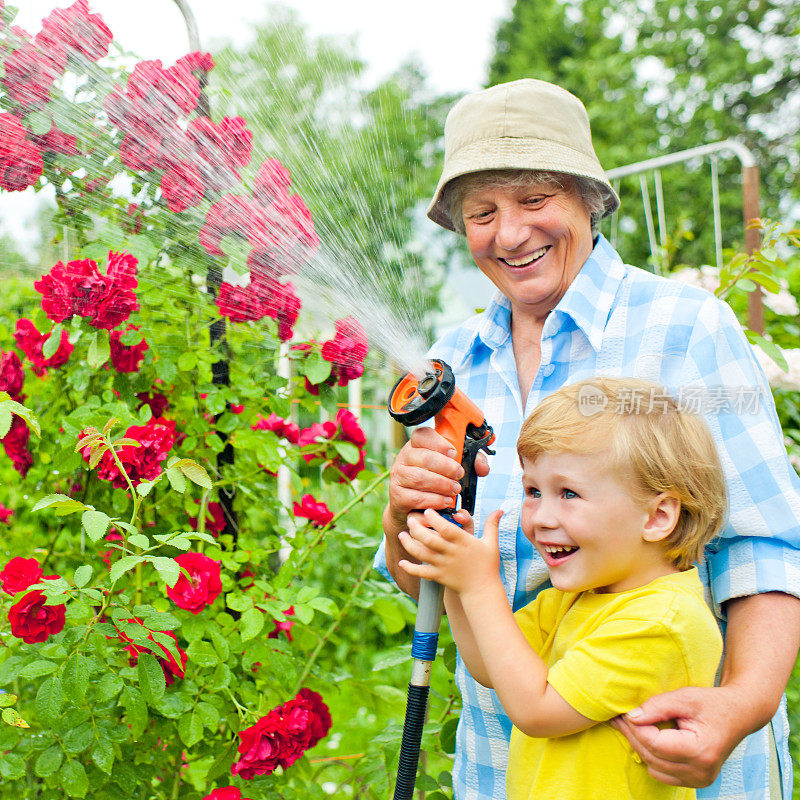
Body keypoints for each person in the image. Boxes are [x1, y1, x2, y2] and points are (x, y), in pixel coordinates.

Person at [374, 78, 800, 800]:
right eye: (483, 212)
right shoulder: (453, 364)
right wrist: (402, 526)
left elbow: (765, 548)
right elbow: (436, 584)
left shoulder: (684, 328)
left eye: (535, 200)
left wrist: (742, 706)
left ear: (588, 199)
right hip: (505, 767)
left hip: (671, 765)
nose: (509, 234)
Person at [398, 377, 726, 800]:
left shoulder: (661, 621)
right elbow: (486, 665)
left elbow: (537, 710)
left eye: (568, 493)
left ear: (657, 516)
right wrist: (456, 580)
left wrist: (479, 584)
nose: (541, 518)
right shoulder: (579, 599)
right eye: (533, 491)